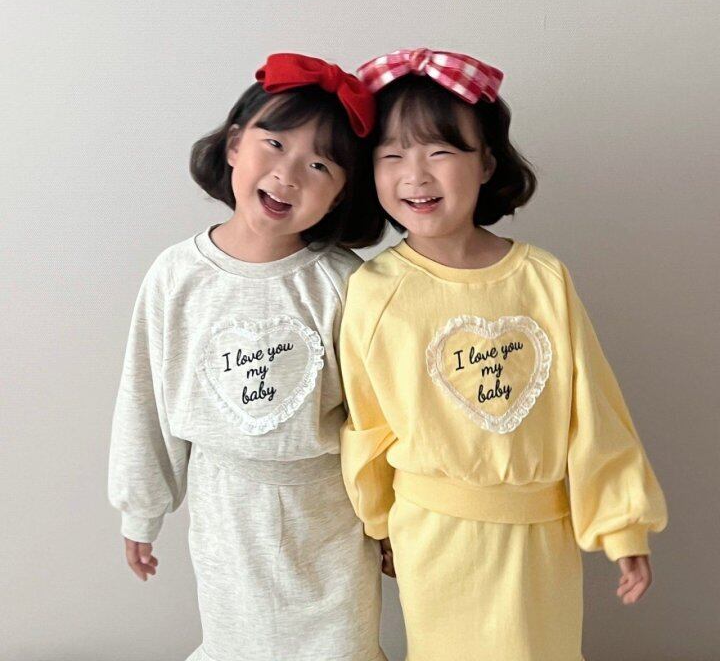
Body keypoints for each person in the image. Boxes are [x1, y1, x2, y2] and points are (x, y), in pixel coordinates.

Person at [339, 48, 668, 661]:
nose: (416, 175)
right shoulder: (375, 290)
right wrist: (378, 523)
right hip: (432, 535)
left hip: (542, 536)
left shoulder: (543, 278)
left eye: (440, 151)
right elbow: (368, 421)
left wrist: (623, 524)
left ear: (487, 161)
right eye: (392, 155)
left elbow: (593, 410)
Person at [108, 52, 387, 661]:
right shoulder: (177, 276)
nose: (289, 175)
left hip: (330, 517)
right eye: (275, 144)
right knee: (240, 643)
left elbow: (380, 415)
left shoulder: (346, 283)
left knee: (340, 647)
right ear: (235, 146)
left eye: (319, 164)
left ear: (342, 192)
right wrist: (141, 511)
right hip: (226, 510)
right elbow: (146, 401)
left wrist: (389, 516)